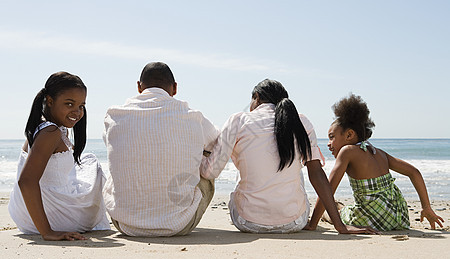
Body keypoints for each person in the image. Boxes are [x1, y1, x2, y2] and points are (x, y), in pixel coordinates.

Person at [200, 79, 376, 234]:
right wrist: (340, 226)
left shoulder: (238, 120)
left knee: (244, 163)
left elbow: (210, 172)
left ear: (256, 97)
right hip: (294, 222)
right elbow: (316, 174)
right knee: (293, 164)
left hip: (248, 222)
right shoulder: (301, 122)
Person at [103, 62, 219, 237]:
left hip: (124, 223)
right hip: (179, 224)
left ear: (139, 87)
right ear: (174, 88)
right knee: (206, 159)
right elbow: (217, 141)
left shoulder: (114, 115)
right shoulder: (193, 117)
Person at [307, 94, 444, 231]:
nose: (329, 144)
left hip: (371, 219)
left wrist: (312, 225)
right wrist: (426, 207)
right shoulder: (378, 152)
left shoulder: (347, 151)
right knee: (342, 207)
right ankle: (339, 205)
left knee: (330, 213)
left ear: (349, 135)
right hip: (398, 217)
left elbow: (328, 189)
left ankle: (335, 209)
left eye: (332, 137)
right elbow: (414, 172)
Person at [8, 71, 110, 241]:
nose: (77, 112)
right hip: (50, 218)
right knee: (93, 165)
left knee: (86, 161)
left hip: (24, 215)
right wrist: (47, 232)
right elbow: (26, 181)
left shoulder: (45, 127)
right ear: (49, 101)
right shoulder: (50, 132)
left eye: (81, 106)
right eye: (69, 104)